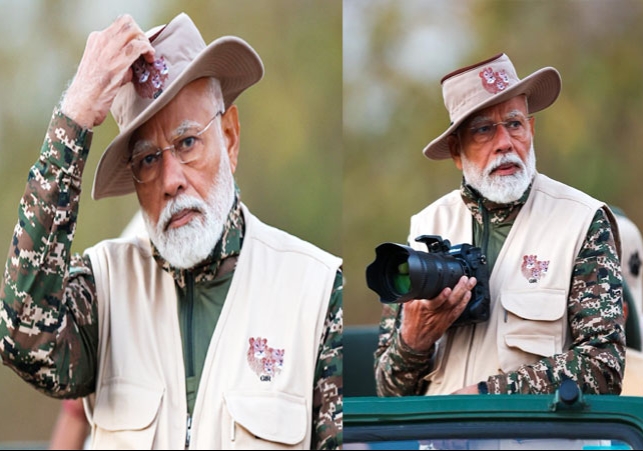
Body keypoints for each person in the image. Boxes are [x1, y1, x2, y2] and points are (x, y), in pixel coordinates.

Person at [0, 12, 342, 450]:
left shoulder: (315, 289)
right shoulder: (103, 288)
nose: (171, 180)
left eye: (187, 143)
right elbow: (23, 338)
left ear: (230, 138)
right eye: (147, 160)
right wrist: (75, 116)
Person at [374, 53, 625, 396]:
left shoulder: (582, 220)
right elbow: (388, 392)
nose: (505, 142)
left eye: (515, 124)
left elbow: (603, 366)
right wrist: (412, 344)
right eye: (483, 129)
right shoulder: (424, 227)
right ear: (456, 150)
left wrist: (486, 396)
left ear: (531, 129)